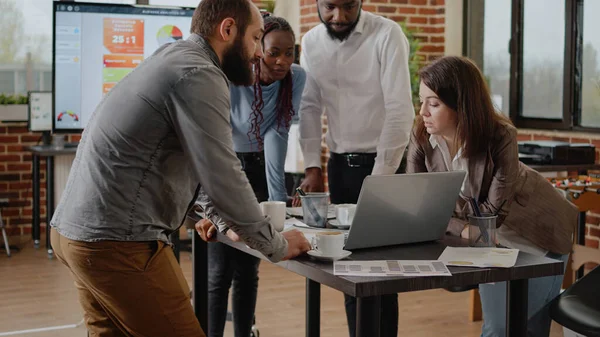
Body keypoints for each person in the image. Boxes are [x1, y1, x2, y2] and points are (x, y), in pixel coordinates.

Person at [49, 1, 311, 336]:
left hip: (77, 235)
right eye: (256, 38)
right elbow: (223, 174)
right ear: (227, 29)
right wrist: (277, 245)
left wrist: (220, 218)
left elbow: (196, 163)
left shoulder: (175, 58)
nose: (259, 53)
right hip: (117, 243)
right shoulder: (201, 73)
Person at [406, 55, 577, 337]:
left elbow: (490, 216)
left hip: (539, 233)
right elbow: (419, 202)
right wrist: (463, 229)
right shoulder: (422, 136)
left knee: (530, 328)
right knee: (498, 328)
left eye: (433, 103)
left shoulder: (500, 135)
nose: (423, 111)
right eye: (421, 100)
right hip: (486, 244)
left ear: (462, 105)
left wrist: (460, 226)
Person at [294, 0, 415, 336]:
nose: (339, 16)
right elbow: (309, 108)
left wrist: (378, 181)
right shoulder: (312, 42)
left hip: (385, 167)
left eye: (348, 6)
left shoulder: (387, 34)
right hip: (339, 167)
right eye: (330, 6)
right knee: (348, 268)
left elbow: (399, 111)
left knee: (384, 271)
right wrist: (312, 166)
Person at [206, 14, 306, 337]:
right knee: (220, 269)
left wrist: (278, 203)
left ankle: (243, 333)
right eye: (274, 51)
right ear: (258, 48)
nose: (281, 61)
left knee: (249, 266)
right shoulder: (234, 75)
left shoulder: (296, 79)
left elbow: (278, 136)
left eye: (289, 52)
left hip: (261, 170)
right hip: (227, 166)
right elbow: (217, 136)